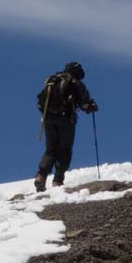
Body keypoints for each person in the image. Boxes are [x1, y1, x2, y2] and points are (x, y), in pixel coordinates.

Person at [34, 61, 98, 191]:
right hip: (66, 119)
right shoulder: (76, 84)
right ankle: (58, 180)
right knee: (65, 149)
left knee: (51, 148)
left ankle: (41, 176)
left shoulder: (53, 80)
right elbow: (84, 104)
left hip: (48, 118)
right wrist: (92, 107)